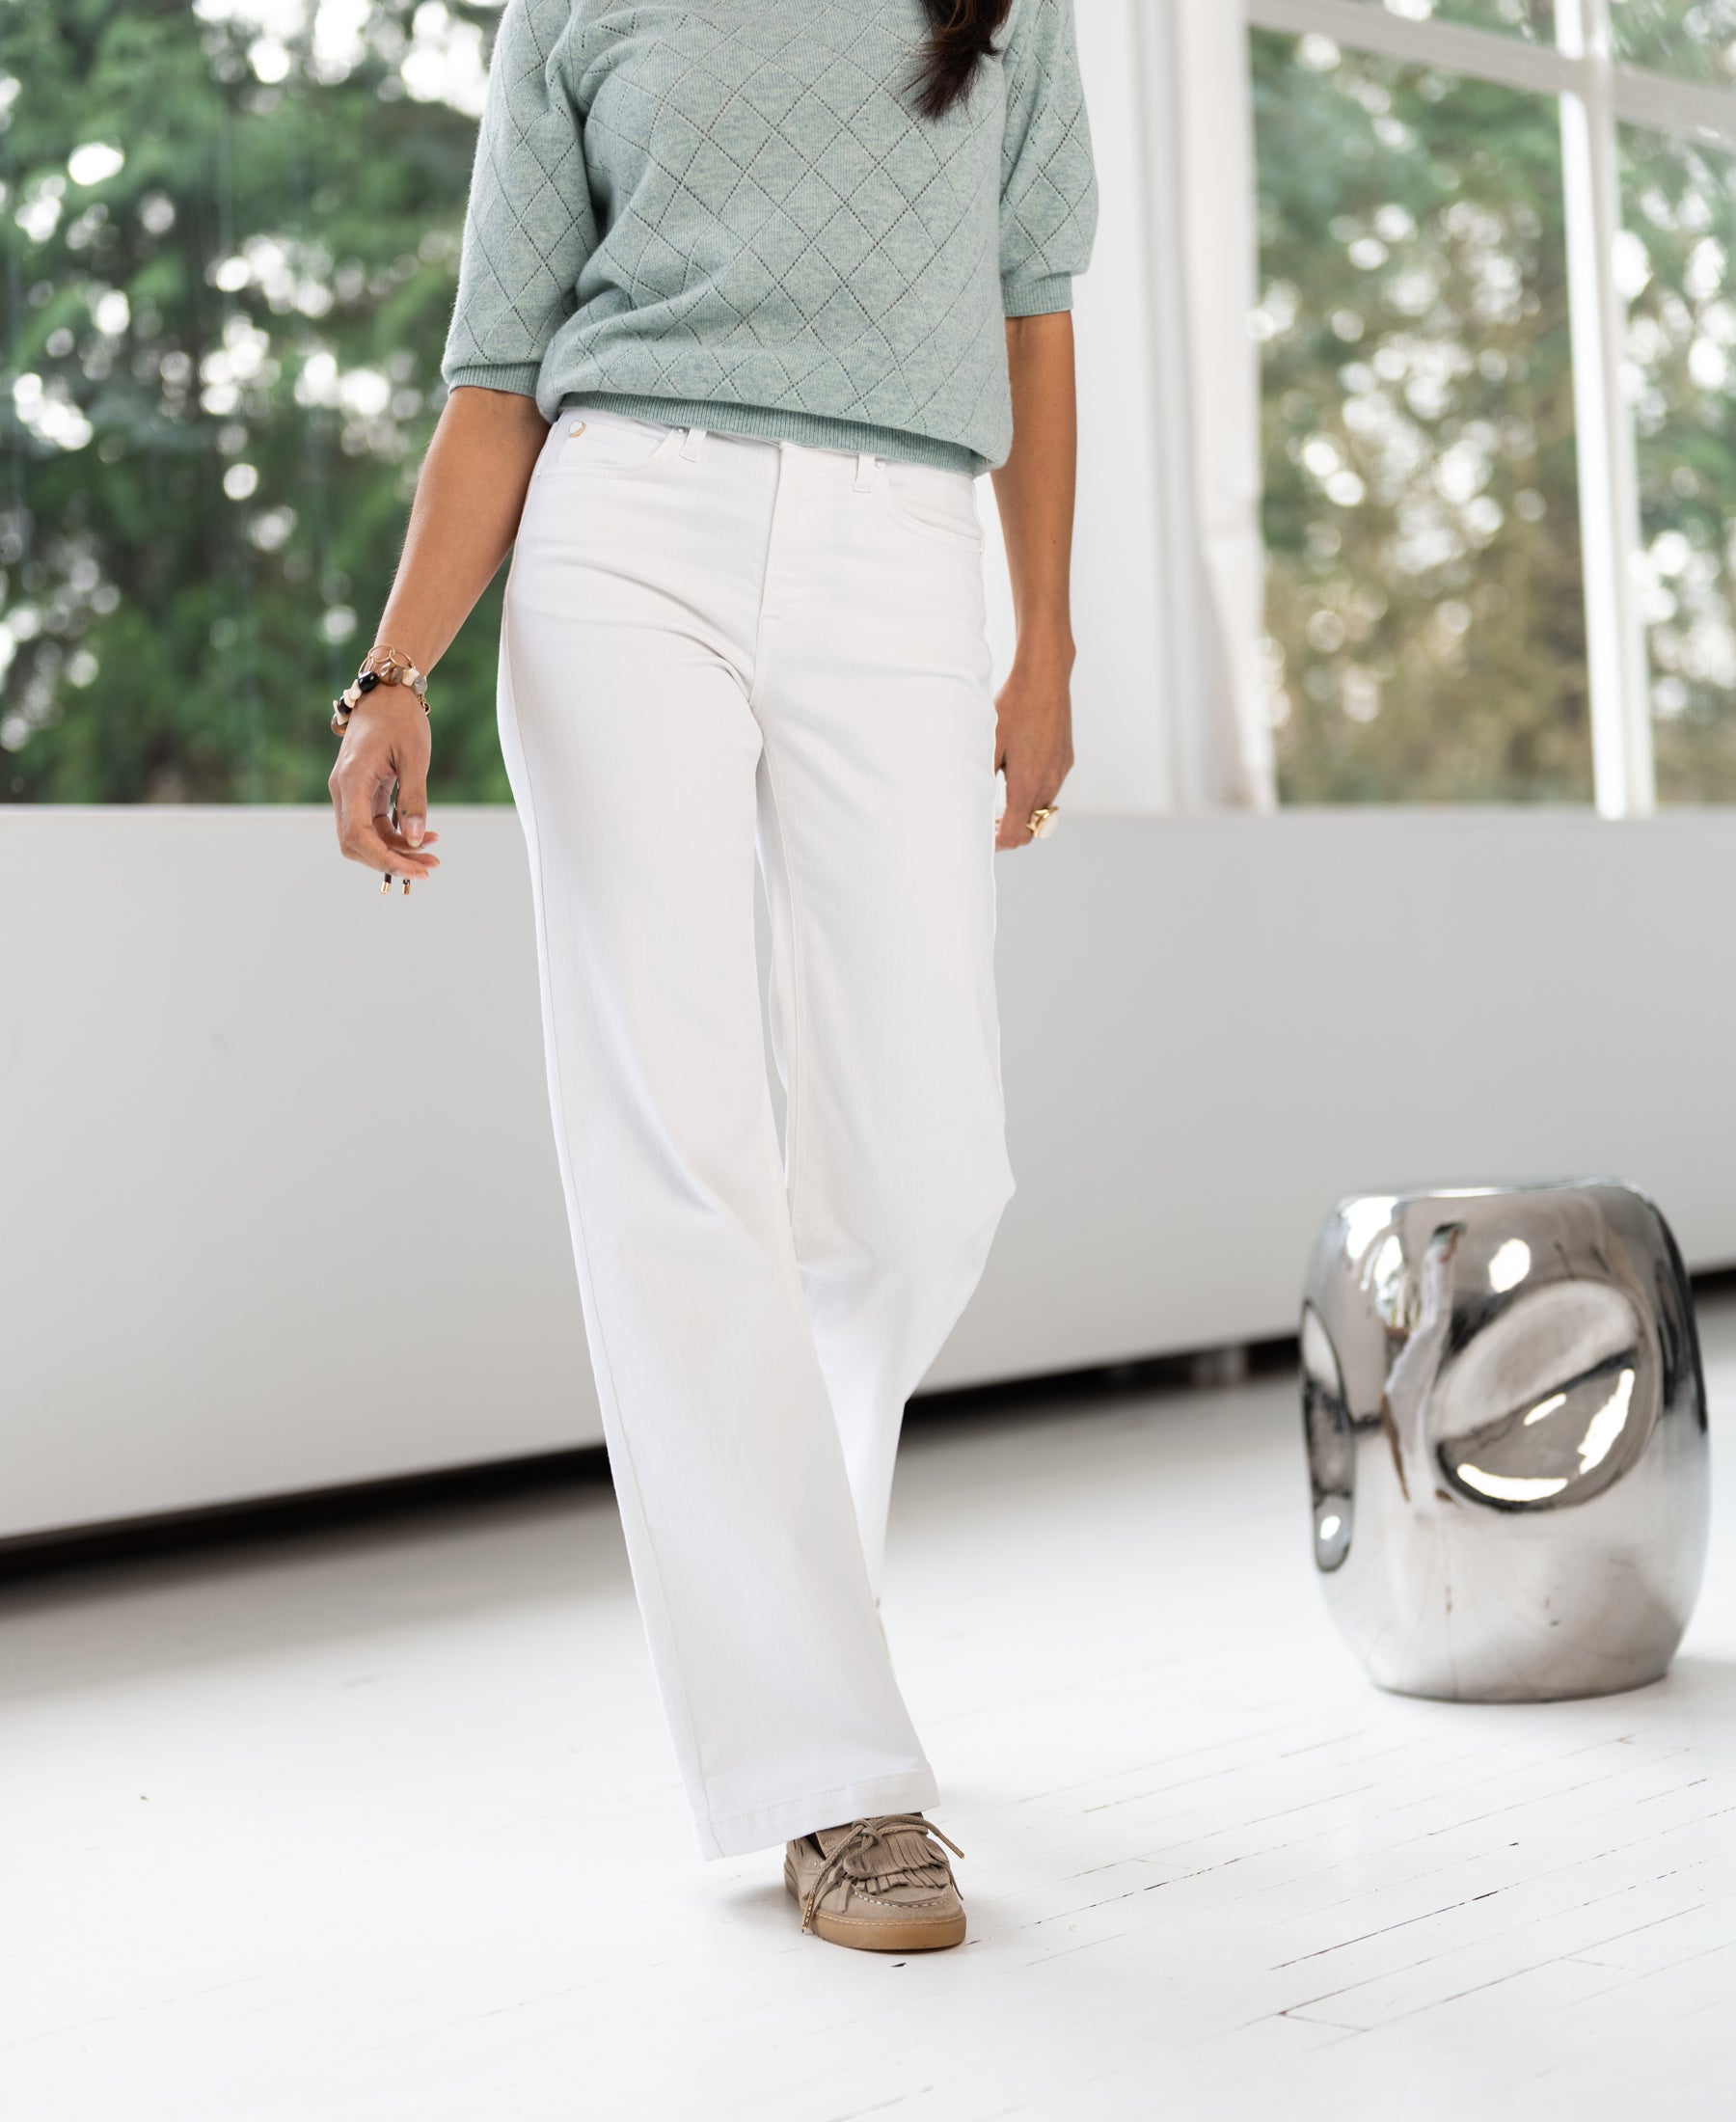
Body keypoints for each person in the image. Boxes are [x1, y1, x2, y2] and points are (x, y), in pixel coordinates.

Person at [326, 0, 1097, 1953]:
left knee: (927, 1179)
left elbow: (1032, 304)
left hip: (905, 547)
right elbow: (497, 374)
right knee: (678, 1151)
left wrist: (1048, 645)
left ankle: (794, 1582)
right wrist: (393, 670)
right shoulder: (573, 8)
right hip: (623, 539)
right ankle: (826, 1775)